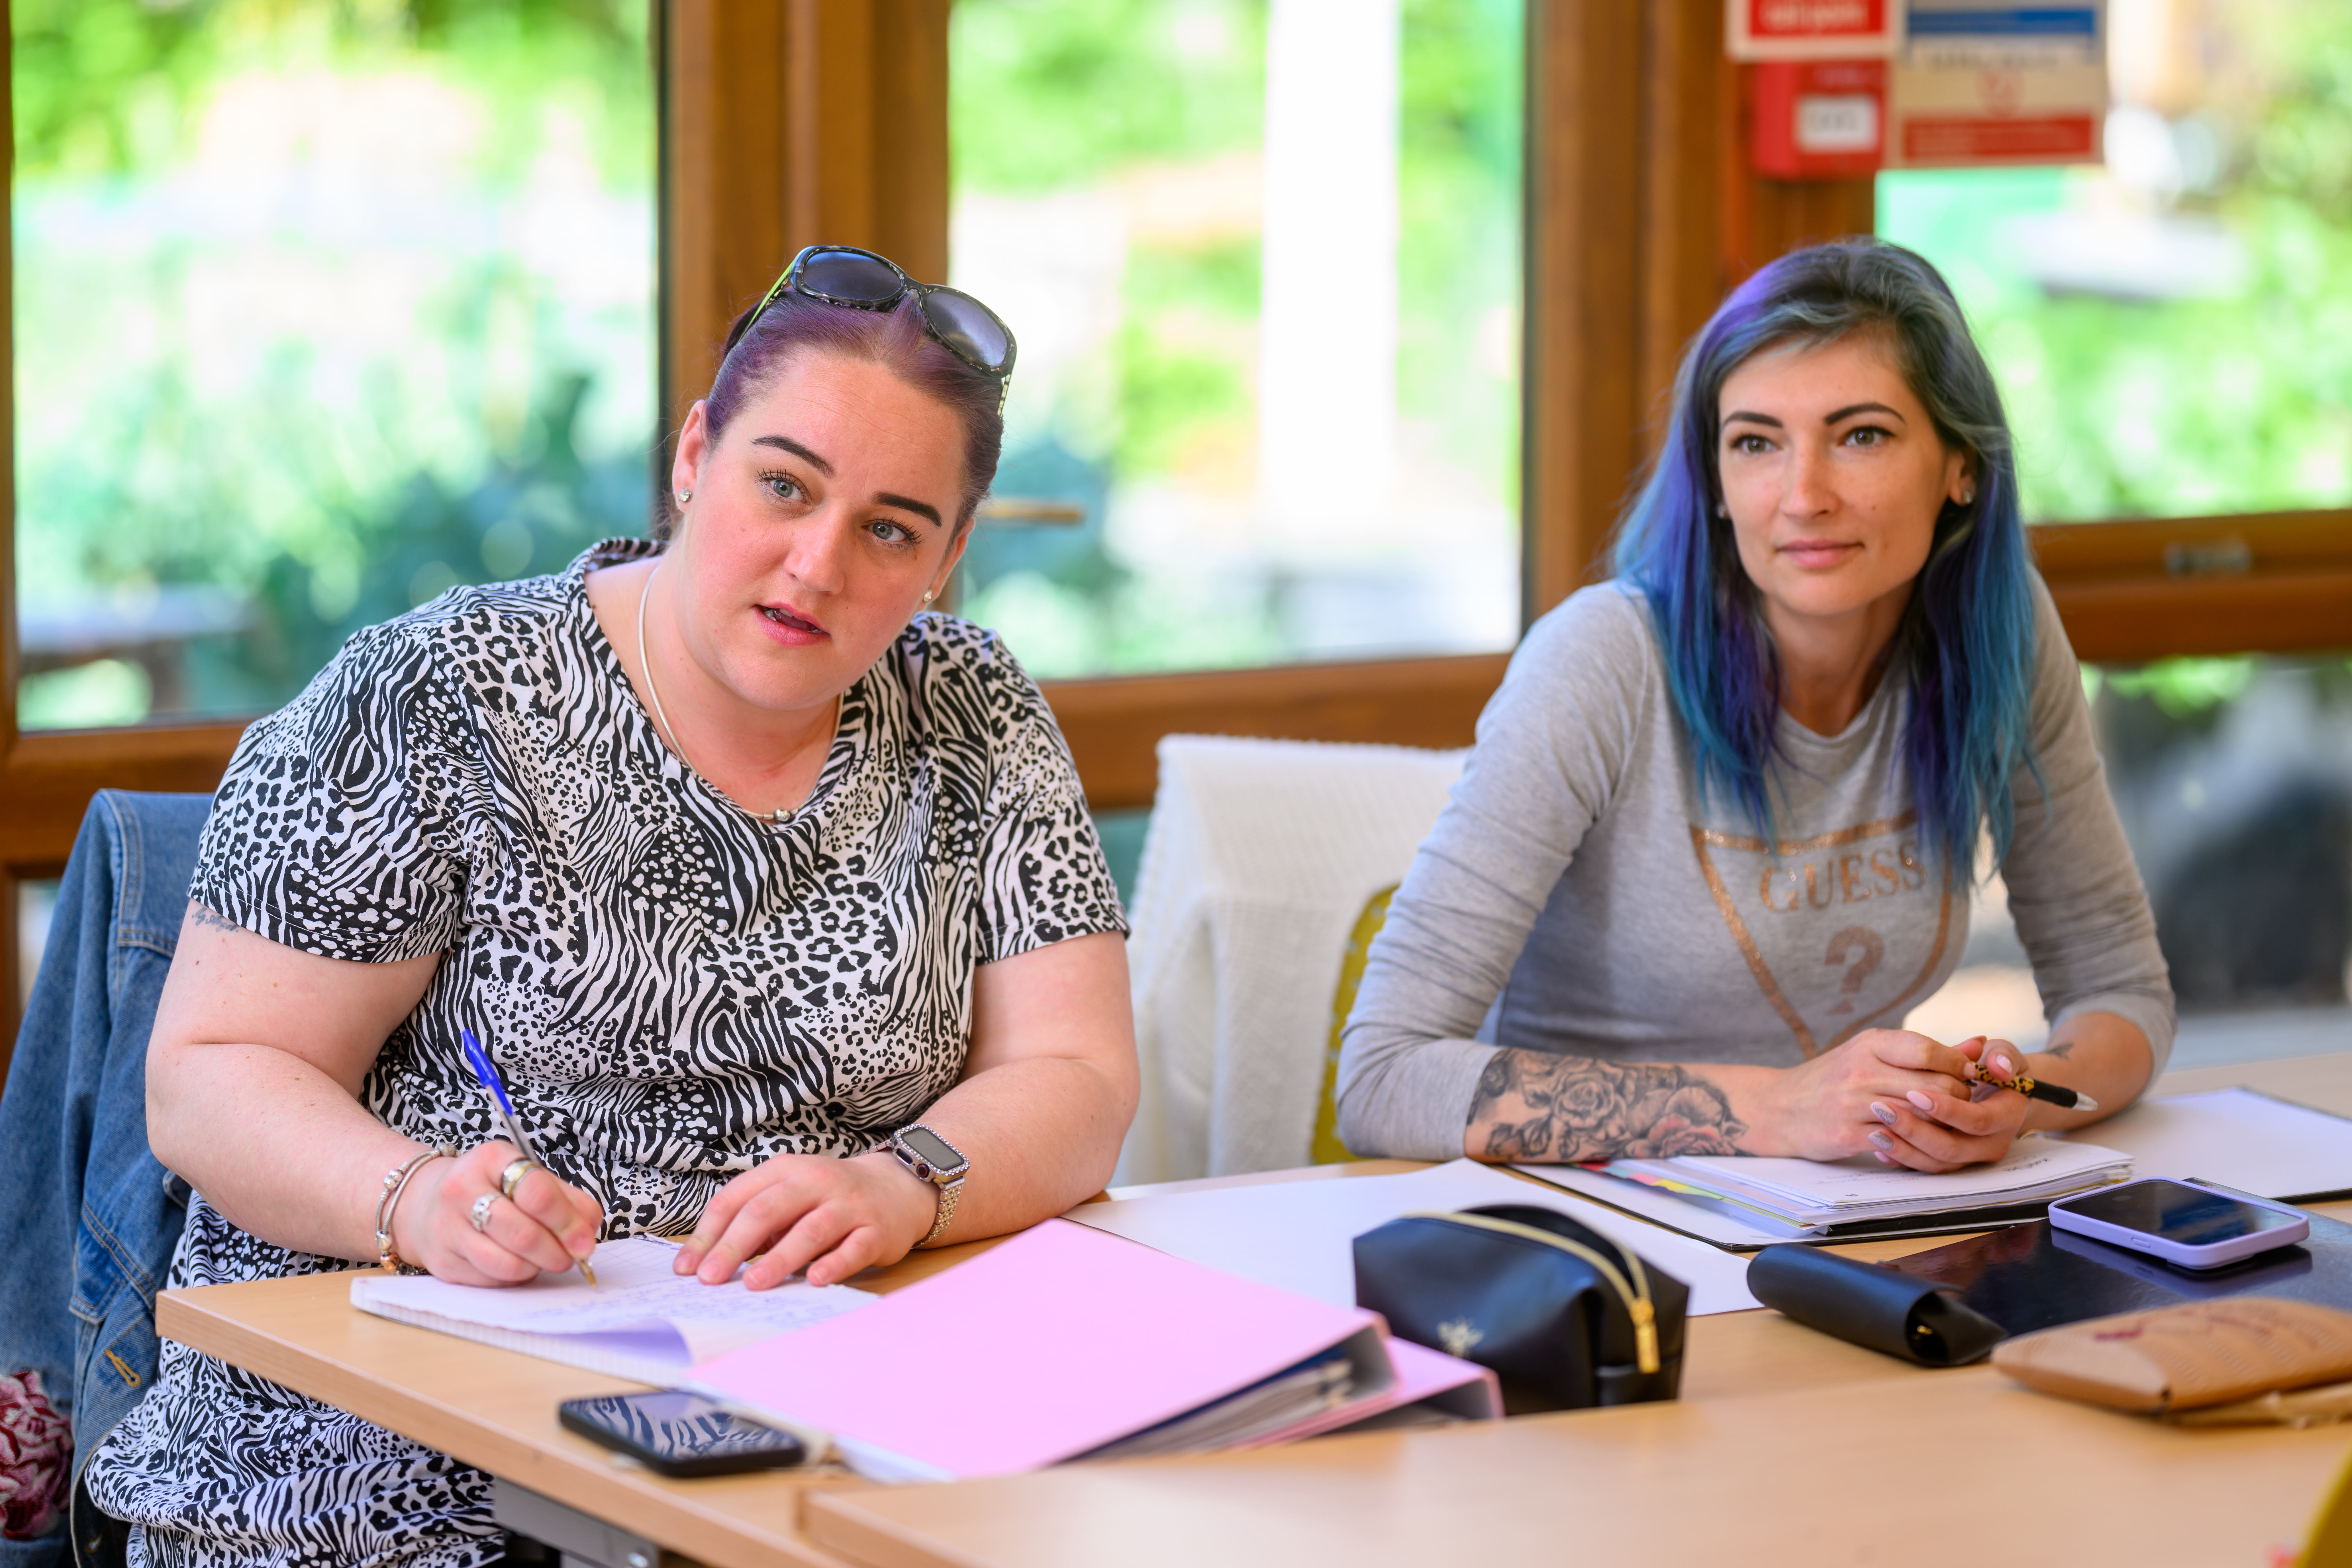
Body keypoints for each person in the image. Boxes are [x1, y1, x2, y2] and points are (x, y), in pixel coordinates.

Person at [82, 245, 1138, 1567]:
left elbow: (1078, 1070)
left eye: (888, 527)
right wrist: (410, 1194)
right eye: (782, 484)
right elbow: (211, 1076)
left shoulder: (973, 707)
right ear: (696, 454)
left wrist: (904, 1180)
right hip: (386, 1465)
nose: (817, 563)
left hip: (808, 1436)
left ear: (949, 554)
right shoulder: (438, 693)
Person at [1336, 238, 2171, 1174]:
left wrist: (2015, 1100)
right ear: (1719, 485)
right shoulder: (1604, 661)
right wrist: (1779, 1111)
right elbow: (1384, 1076)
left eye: (1862, 435)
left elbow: (2122, 992)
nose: (1804, 496)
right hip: (1582, 1240)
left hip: (1845, 1217)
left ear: (1961, 467)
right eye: (1756, 443)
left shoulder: (2000, 638)